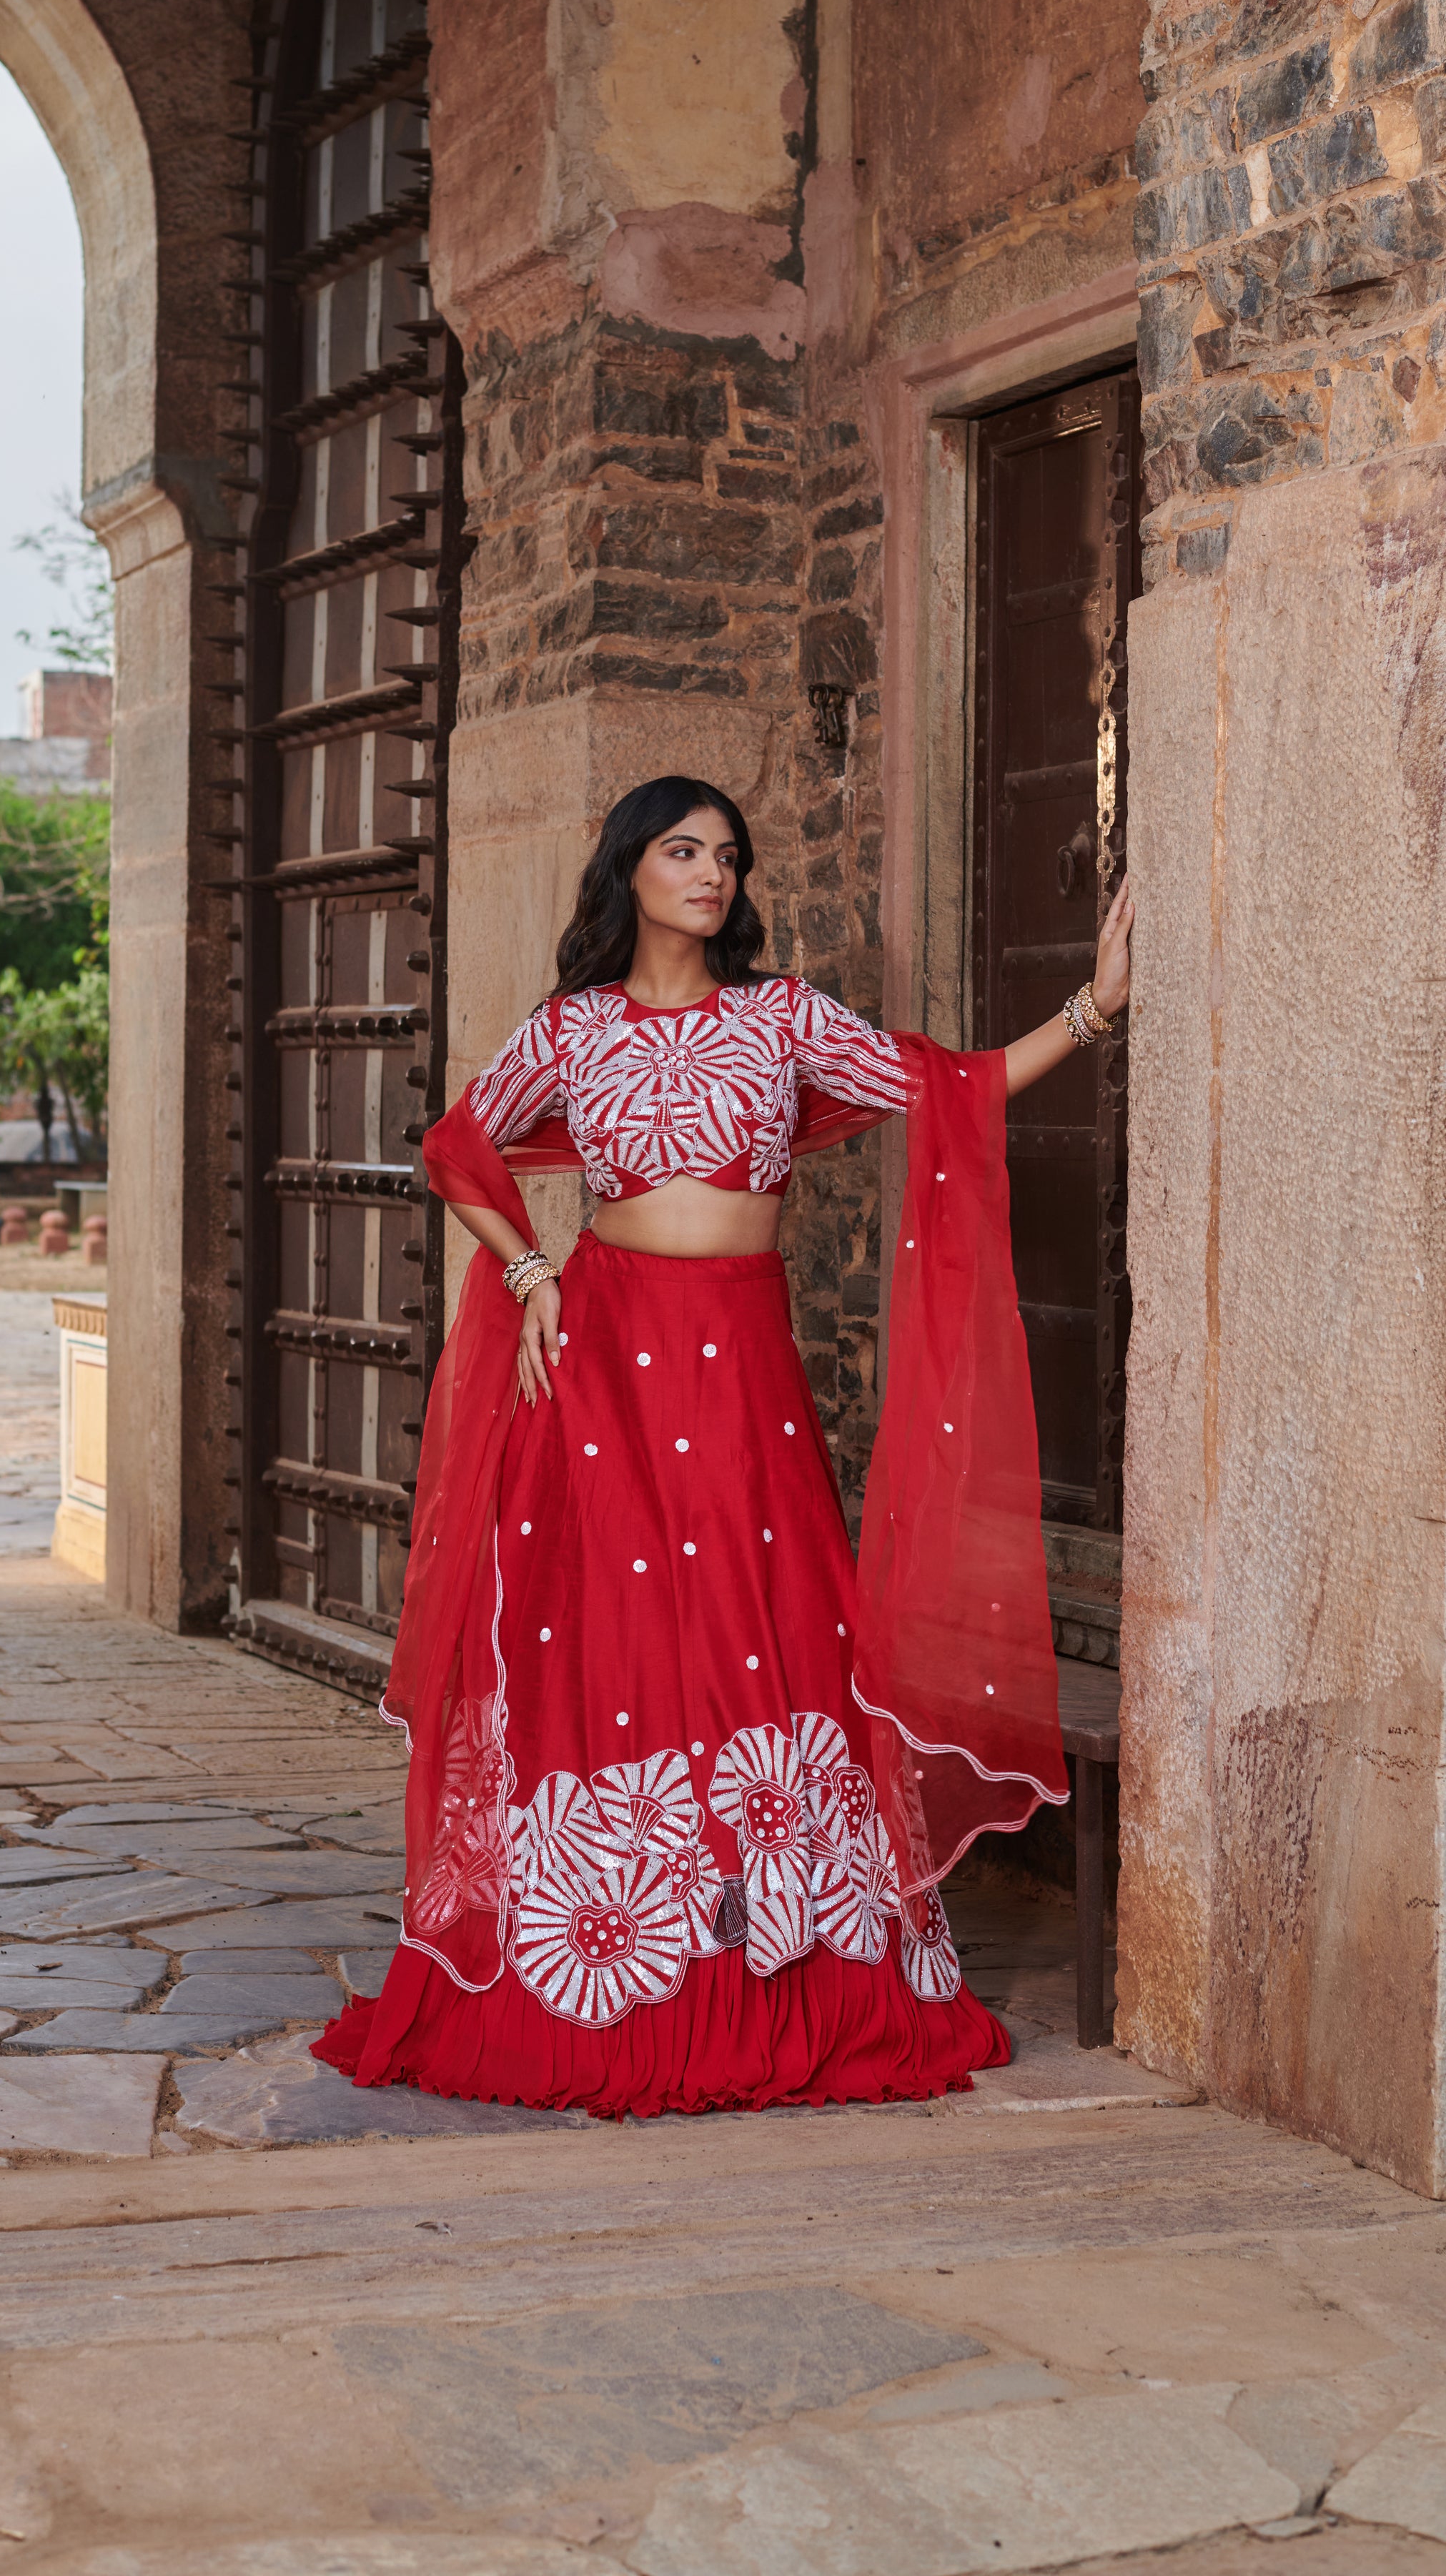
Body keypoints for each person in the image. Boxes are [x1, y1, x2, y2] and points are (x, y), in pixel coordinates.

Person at [313, 774, 1134, 2117]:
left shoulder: (780, 1016)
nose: (713, 875)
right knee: (624, 1648)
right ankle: (613, 1958)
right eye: (685, 851)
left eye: (729, 857)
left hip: (744, 1370)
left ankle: (782, 1961)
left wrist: (1093, 1008)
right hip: (610, 1365)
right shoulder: (574, 1033)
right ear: (629, 868)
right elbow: (458, 1149)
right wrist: (530, 1276)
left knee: (769, 1632)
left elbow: (950, 1089)